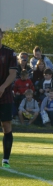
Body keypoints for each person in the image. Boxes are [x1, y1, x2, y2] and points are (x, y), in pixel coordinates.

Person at [0, 28, 17, 168]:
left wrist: (3, 87)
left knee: (6, 125)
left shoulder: (9, 53)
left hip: (4, 94)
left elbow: (12, 74)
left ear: (2, 36)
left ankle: (6, 160)